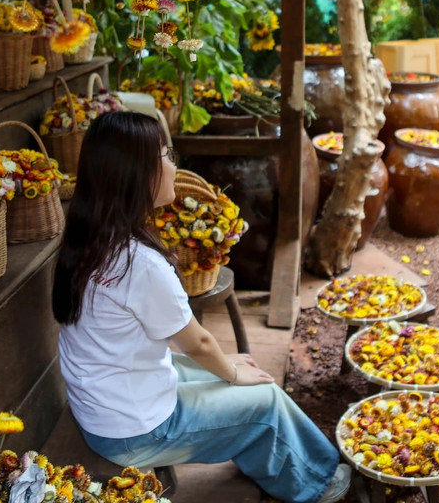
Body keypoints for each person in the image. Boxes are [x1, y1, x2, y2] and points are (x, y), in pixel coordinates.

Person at [51, 111, 350, 503]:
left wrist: (229, 368)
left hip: (105, 406)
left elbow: (186, 349)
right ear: (138, 173)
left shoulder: (89, 237)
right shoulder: (138, 263)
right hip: (134, 431)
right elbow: (199, 344)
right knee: (265, 399)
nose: (175, 165)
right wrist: (231, 373)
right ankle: (319, 482)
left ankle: (262, 449)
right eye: (167, 155)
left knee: (231, 368)